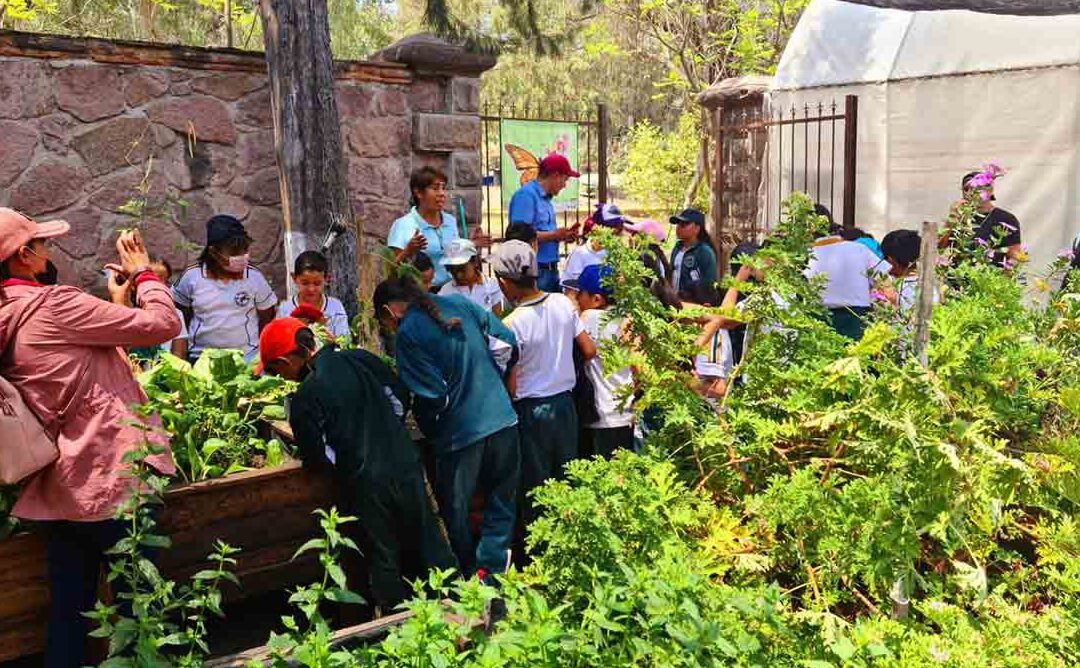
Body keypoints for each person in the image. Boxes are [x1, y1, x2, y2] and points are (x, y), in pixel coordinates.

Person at [0, 209, 179, 667]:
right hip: (108, 480)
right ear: (24, 256)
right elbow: (162, 326)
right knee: (141, 610)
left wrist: (114, 304)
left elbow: (78, 358)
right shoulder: (55, 304)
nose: (49, 251)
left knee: (68, 614)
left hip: (59, 489)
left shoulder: (9, 315)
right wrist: (144, 275)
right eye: (43, 245)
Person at [258, 318, 456, 610]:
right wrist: (386, 432)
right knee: (427, 538)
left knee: (383, 554)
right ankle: (454, 605)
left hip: (366, 480)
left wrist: (349, 461)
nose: (281, 377)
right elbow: (399, 399)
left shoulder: (306, 396)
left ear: (285, 360)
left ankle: (395, 626)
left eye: (277, 370)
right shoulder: (361, 359)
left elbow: (317, 457)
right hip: (405, 462)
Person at [375, 277, 520, 580]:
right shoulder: (459, 304)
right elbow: (507, 342)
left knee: (456, 511)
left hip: (461, 435)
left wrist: (431, 428)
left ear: (389, 313)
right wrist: (496, 384)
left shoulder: (408, 334)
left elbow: (433, 396)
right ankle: (493, 570)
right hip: (504, 420)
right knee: (501, 502)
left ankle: (467, 578)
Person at [493, 241, 596, 528]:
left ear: (504, 282)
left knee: (537, 489)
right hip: (566, 406)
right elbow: (589, 350)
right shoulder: (563, 303)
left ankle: (540, 553)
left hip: (532, 412)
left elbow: (511, 387)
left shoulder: (512, 324)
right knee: (567, 479)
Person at [173, 214, 277, 364]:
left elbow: (267, 317)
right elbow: (180, 316)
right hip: (202, 359)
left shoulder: (254, 278)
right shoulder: (192, 278)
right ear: (214, 252)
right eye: (234, 252)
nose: (242, 256)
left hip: (246, 359)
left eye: (244, 250)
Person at [565, 264, 634, 458]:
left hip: (601, 416)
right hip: (623, 414)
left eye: (580, 294)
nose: (577, 299)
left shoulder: (589, 317)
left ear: (596, 299)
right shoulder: (625, 319)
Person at [507, 154, 582, 293]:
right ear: (555, 175)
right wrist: (554, 235)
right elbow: (519, 236)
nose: (565, 185)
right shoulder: (526, 196)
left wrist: (562, 236)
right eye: (565, 179)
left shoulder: (546, 200)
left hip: (550, 270)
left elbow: (542, 233)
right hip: (535, 272)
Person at [387, 167, 460, 290]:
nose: (442, 193)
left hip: (452, 290)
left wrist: (470, 245)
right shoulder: (403, 225)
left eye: (443, 188)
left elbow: (455, 257)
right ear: (418, 193)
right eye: (435, 188)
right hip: (420, 294)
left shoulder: (450, 221)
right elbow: (390, 270)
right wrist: (408, 251)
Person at [806, 225, 883, 340]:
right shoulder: (860, 249)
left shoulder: (805, 254)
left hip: (816, 317)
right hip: (857, 318)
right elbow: (886, 286)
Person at [118, 259, 189, 362]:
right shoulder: (127, 314)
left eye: (165, 281)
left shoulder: (176, 314)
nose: (160, 285)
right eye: (153, 279)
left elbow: (179, 355)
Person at [947, 170, 1022, 265]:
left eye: (977, 189)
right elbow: (941, 248)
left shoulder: (1006, 219)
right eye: (966, 189)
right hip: (958, 276)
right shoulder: (959, 217)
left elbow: (1014, 256)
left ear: (990, 191)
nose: (971, 193)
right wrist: (950, 221)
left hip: (991, 276)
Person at [275, 250, 351, 343]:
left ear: (327, 279)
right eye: (305, 283)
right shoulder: (285, 310)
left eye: (317, 283)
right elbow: (278, 342)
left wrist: (332, 341)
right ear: (294, 278)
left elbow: (345, 341)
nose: (311, 289)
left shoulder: (335, 307)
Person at [561, 203, 625, 285]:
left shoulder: (617, 252)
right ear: (598, 228)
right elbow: (570, 287)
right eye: (615, 228)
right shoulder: (580, 254)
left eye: (620, 228)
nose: (619, 232)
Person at [438, 239, 505, 315]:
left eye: (462, 269)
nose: (458, 275)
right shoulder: (445, 293)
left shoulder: (492, 286)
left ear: (475, 262)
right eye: (452, 270)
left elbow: (497, 318)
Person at [669, 208, 718, 304]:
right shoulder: (677, 248)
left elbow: (708, 282)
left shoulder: (704, 251)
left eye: (684, 224)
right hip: (675, 302)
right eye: (678, 224)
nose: (679, 227)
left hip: (695, 305)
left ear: (697, 228)